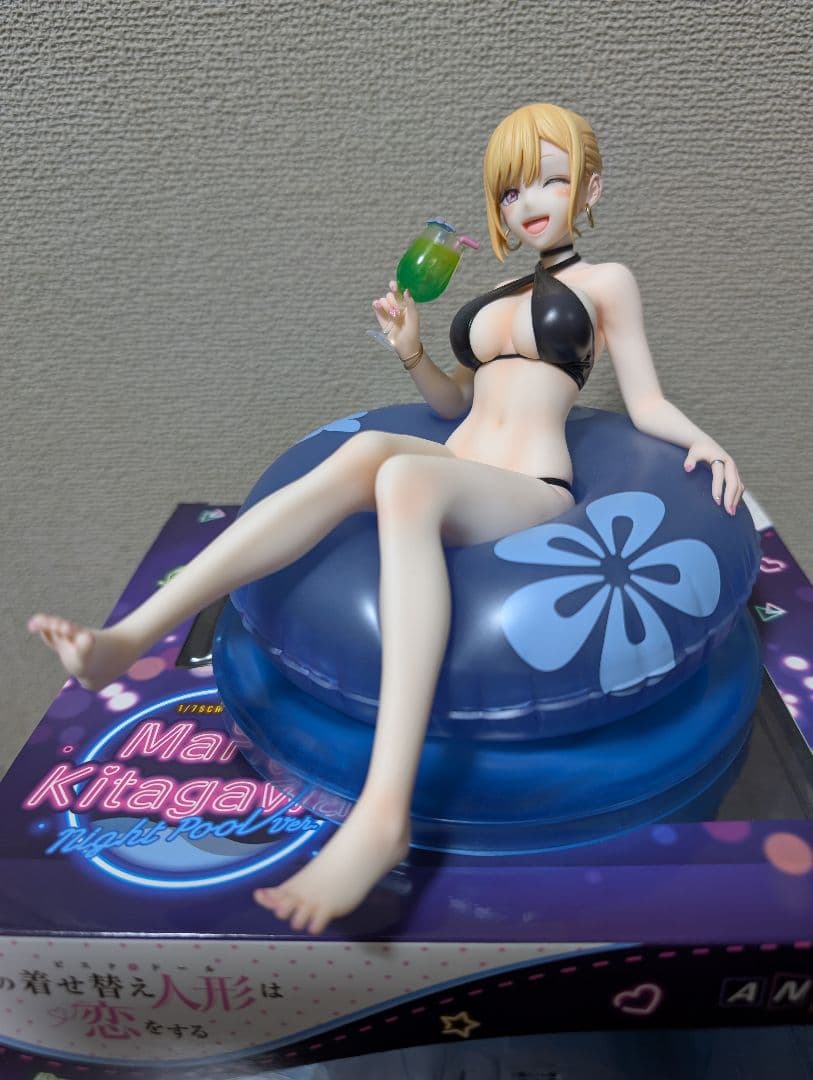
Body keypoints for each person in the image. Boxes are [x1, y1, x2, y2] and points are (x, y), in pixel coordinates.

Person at [28, 103, 744, 934]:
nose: (527, 202)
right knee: (373, 452)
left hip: (530, 488)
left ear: (589, 189)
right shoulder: (497, 294)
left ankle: (382, 809)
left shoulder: (605, 282)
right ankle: (128, 637)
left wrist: (704, 442)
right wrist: (412, 350)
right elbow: (453, 405)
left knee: (402, 476)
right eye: (510, 190)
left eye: (551, 180)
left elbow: (646, 401)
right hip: (461, 464)